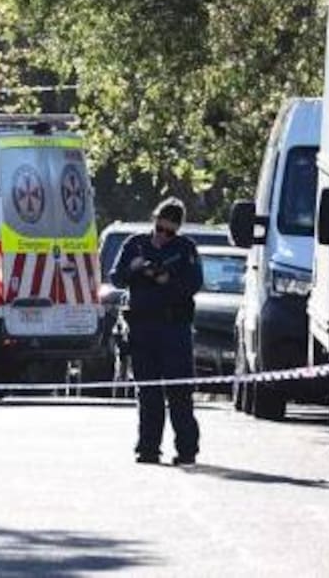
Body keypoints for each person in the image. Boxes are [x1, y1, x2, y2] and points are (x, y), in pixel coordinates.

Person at [109, 197, 204, 465]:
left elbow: (194, 283)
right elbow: (116, 277)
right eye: (160, 229)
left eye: (170, 232)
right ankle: (148, 448)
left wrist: (167, 280)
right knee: (148, 392)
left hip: (174, 329)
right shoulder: (135, 244)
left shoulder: (185, 249)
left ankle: (187, 450)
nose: (163, 236)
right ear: (154, 221)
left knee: (179, 393)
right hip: (142, 328)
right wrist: (135, 268)